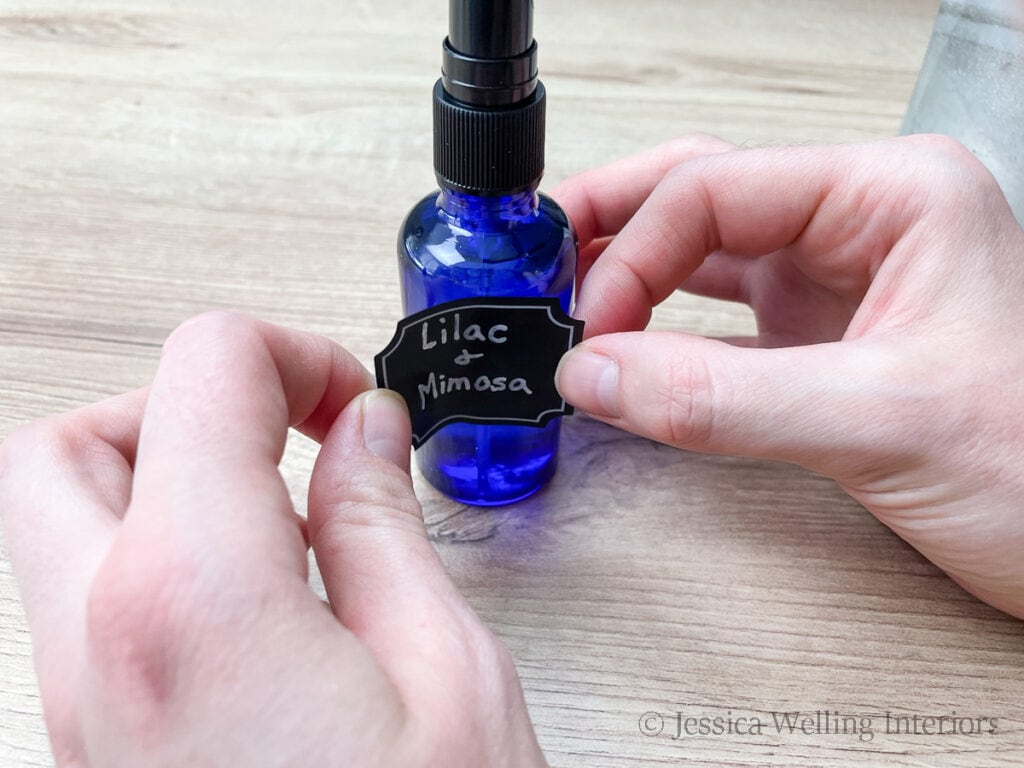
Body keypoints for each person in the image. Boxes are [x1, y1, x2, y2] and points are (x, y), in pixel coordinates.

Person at [1, 134, 1022, 766]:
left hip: (545, 503)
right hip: (466, 507)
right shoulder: (434, 241)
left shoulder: (540, 242)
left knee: (520, 434)